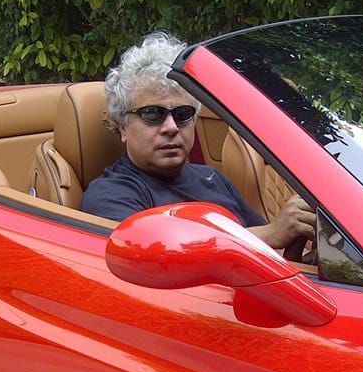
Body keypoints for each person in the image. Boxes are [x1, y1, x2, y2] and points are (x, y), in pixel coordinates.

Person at [81, 32, 315, 250]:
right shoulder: (109, 196)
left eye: (183, 114)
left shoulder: (213, 179)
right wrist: (267, 235)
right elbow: (164, 259)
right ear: (122, 126)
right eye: (152, 114)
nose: (171, 127)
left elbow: (273, 250)